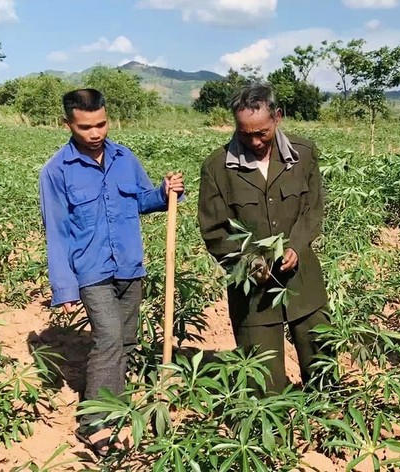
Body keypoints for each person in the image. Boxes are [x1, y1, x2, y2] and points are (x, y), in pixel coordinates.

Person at [39, 89, 184, 457]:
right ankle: (96, 423)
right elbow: (56, 232)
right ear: (67, 124)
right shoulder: (56, 171)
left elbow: (141, 201)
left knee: (128, 340)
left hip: (129, 266)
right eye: (86, 126)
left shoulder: (124, 158)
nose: (95, 132)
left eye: (101, 123)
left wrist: (165, 191)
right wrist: (65, 288)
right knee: (108, 339)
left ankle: (121, 411)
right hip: (91, 270)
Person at [198, 83, 329, 394]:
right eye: (246, 134)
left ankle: (330, 427)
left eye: (262, 133)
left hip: (303, 281)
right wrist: (248, 261)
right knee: (263, 382)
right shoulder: (217, 167)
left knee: (322, 365)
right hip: (252, 290)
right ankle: (272, 431)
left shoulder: (303, 154)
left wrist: (296, 245)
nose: (255, 141)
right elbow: (214, 229)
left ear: (277, 118)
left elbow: (313, 210)